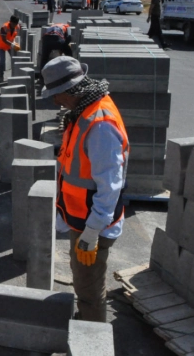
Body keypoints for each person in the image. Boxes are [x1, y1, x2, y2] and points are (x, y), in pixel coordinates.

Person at [39, 56, 130, 323]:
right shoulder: (84, 112)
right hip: (81, 219)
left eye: (57, 95)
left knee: (89, 291)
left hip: (94, 226)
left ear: (72, 90)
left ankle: (91, 339)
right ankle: (87, 323)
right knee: (83, 280)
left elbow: (110, 186)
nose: (55, 101)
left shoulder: (99, 124)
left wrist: (92, 231)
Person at [0, 15, 20, 82]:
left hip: (9, 45)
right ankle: (1, 76)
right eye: (13, 24)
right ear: (10, 22)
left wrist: (14, 42)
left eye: (15, 24)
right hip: (1, 45)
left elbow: (14, 36)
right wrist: (12, 45)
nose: (14, 25)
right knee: (2, 60)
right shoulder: (4, 27)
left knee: (14, 58)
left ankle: (15, 75)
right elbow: (4, 40)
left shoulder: (17, 27)